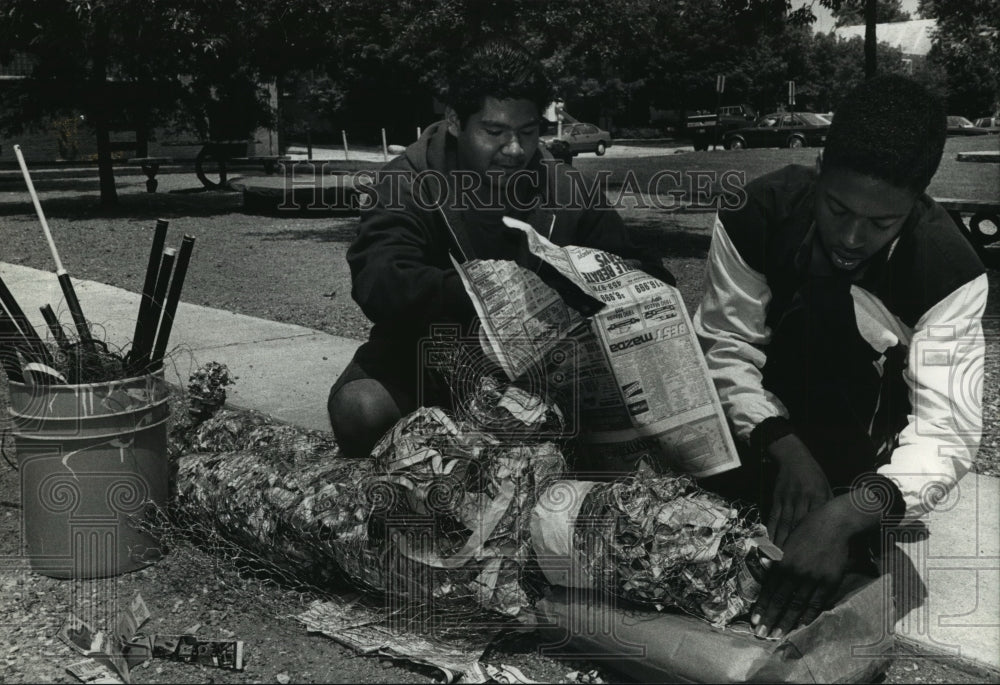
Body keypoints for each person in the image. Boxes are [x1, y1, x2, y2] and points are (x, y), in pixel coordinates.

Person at [693, 74, 987, 638]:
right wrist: (782, 444)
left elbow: (948, 431)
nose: (851, 237)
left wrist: (850, 511)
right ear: (819, 171)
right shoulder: (755, 212)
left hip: (866, 438)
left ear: (918, 202)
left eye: (882, 223)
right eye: (837, 208)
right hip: (765, 420)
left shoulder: (951, 272)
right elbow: (726, 345)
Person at [328, 41, 671, 459]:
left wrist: (584, 288)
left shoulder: (566, 187)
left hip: (549, 369)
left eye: (527, 132)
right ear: (455, 120)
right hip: (431, 356)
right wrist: (488, 294)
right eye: (494, 132)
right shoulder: (406, 182)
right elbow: (379, 283)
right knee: (360, 410)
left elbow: (647, 272)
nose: (514, 150)